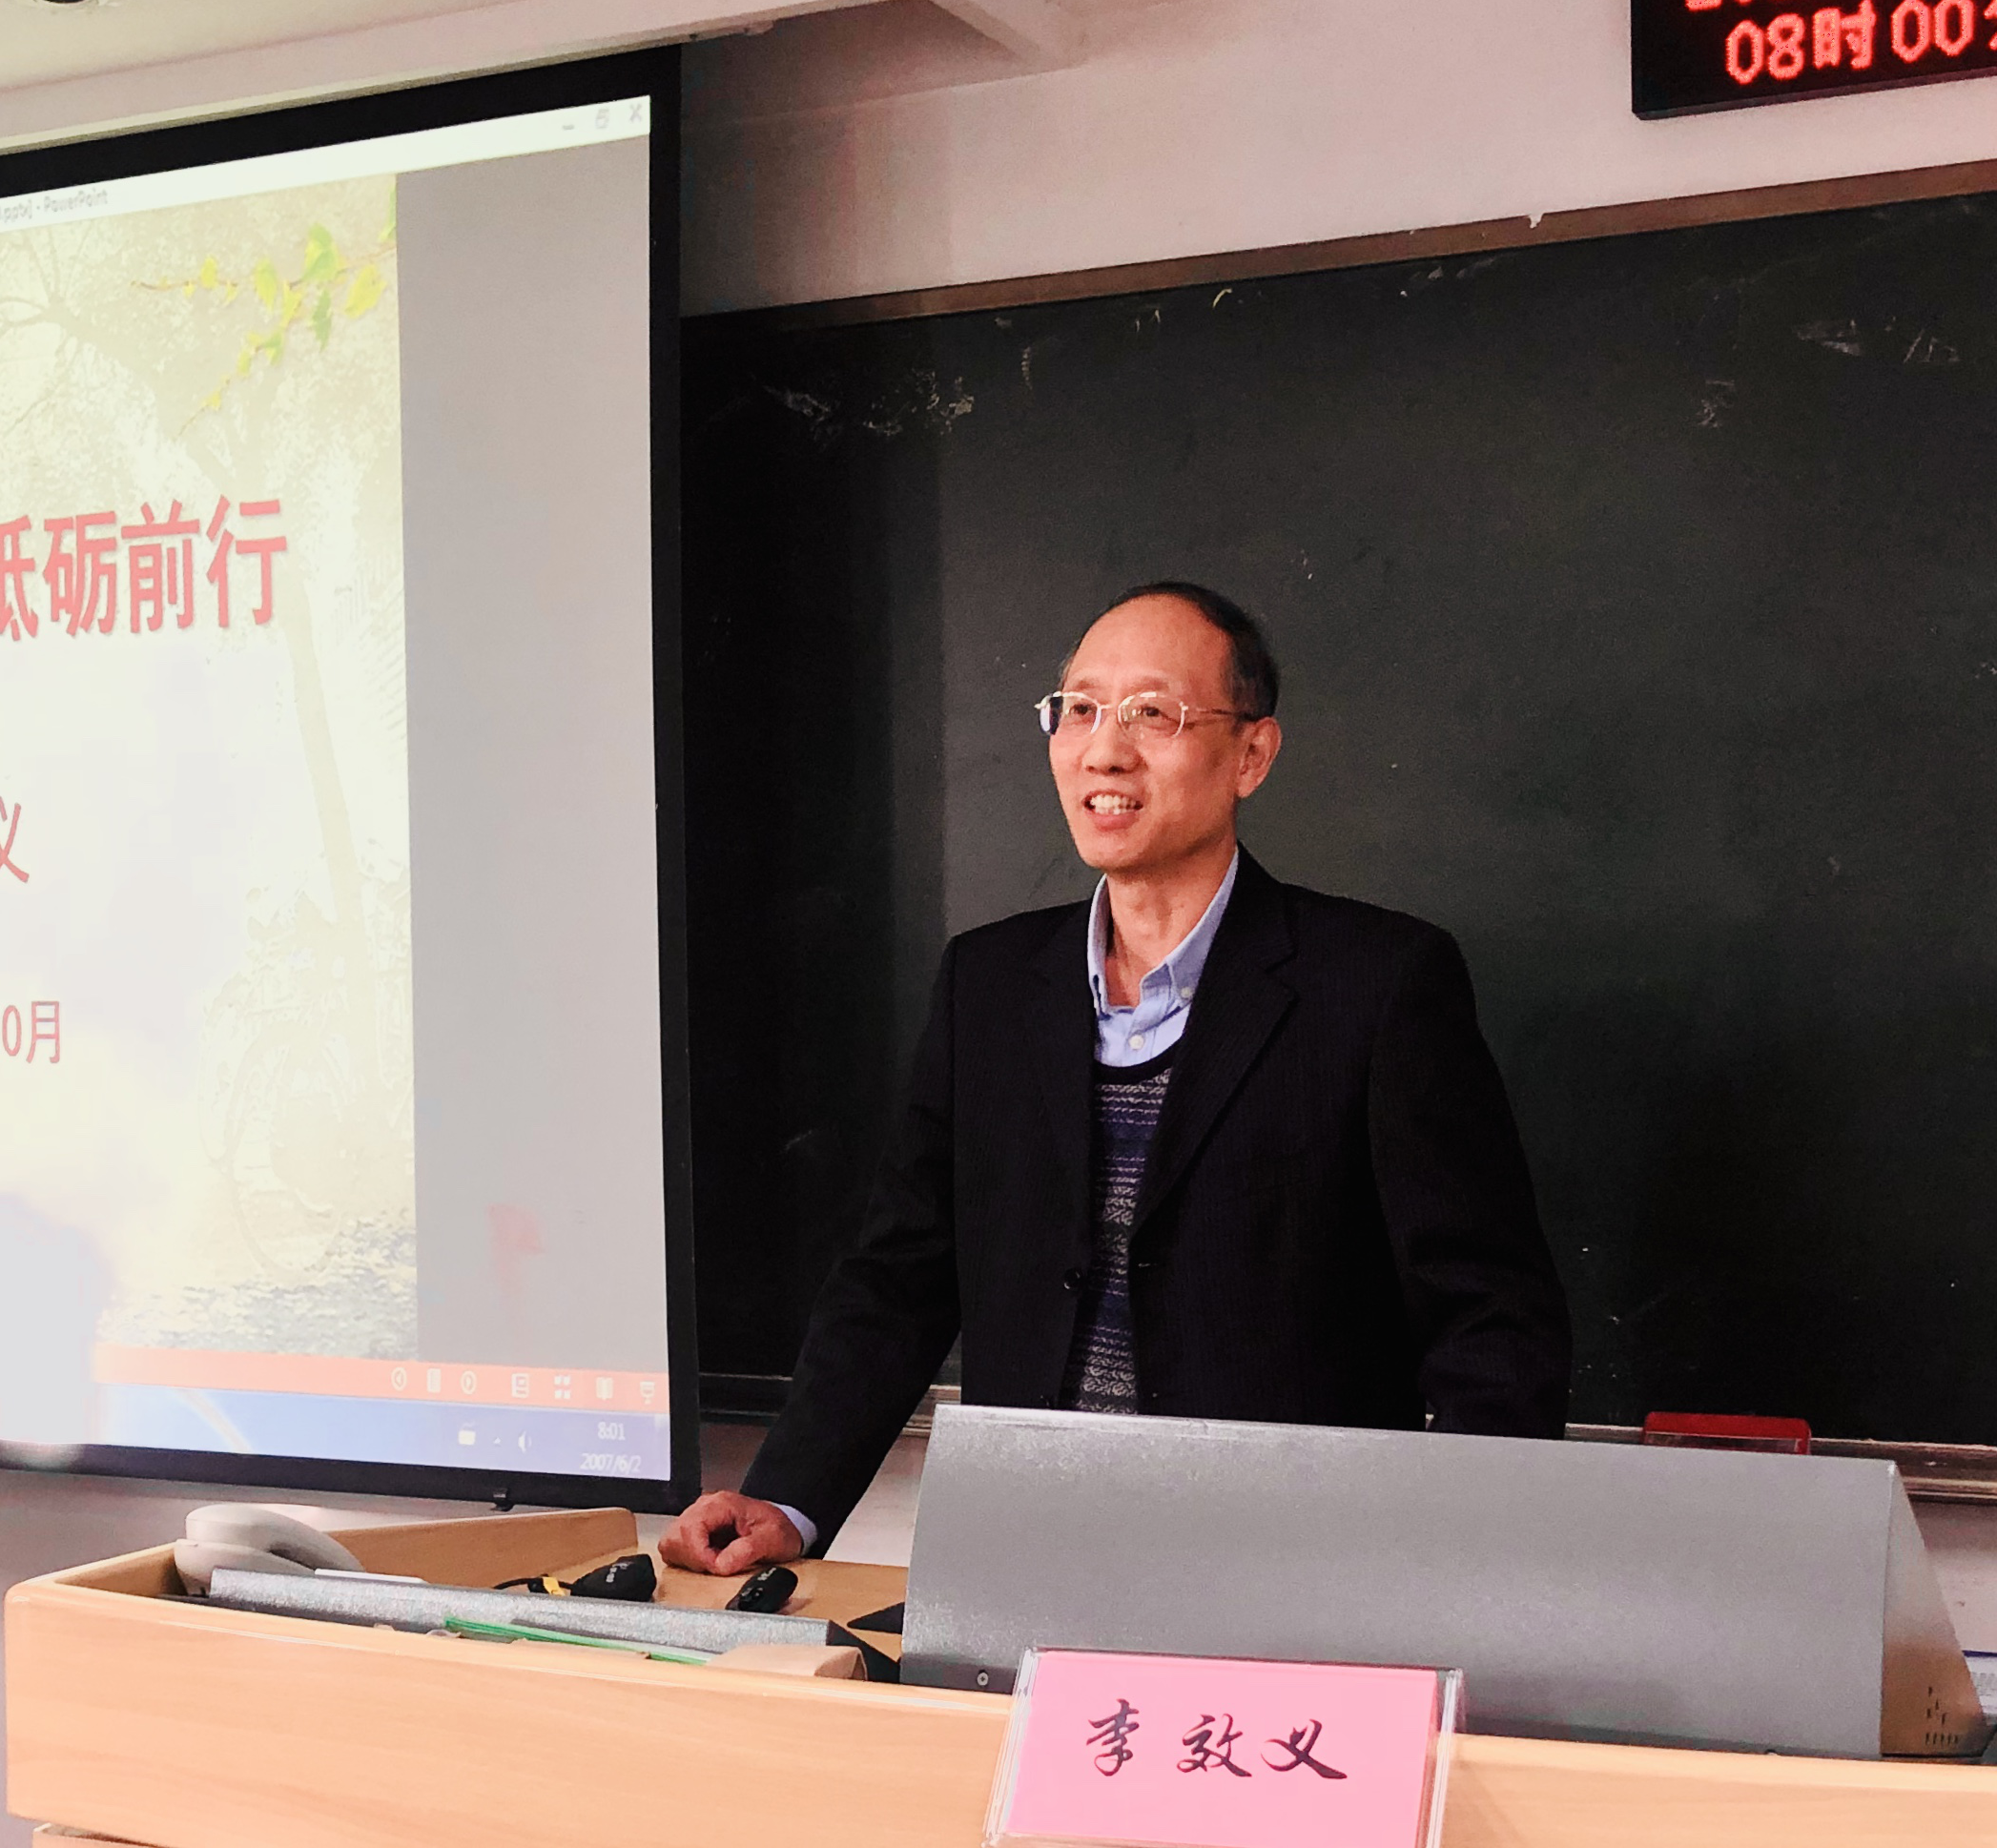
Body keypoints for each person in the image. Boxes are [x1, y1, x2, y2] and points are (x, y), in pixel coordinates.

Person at [660, 583, 1572, 1576]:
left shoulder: (1377, 984)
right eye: (1080, 709)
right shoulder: (989, 982)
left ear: (1251, 754)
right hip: (1027, 1558)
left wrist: (1457, 1566)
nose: (1104, 750)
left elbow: (1491, 1318)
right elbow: (900, 1274)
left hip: (1293, 1569)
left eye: (1151, 713)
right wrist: (788, 1497)